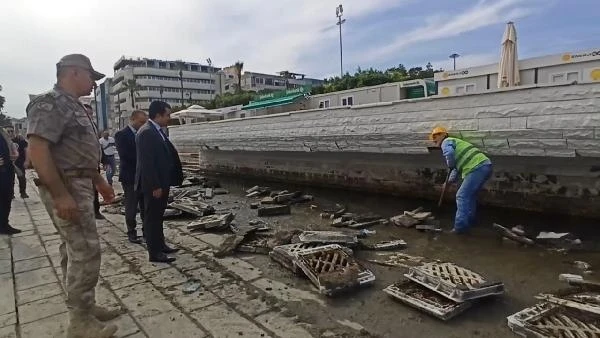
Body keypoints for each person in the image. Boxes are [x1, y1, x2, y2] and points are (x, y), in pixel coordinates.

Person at [26, 54, 122, 337]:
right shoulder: (50, 104)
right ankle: (79, 323)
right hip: (66, 186)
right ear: (74, 72)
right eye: (92, 76)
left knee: (74, 249)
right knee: (85, 251)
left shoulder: (75, 107)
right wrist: (60, 195)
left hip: (80, 183)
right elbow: (38, 149)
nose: (94, 83)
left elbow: (79, 154)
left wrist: (100, 182)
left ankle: (85, 306)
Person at [135, 100, 183, 263]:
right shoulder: (147, 132)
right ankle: (154, 253)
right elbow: (147, 163)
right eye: (167, 115)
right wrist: (155, 185)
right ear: (158, 115)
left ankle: (161, 245)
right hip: (153, 185)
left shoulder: (158, 131)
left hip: (162, 182)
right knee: (152, 219)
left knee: (158, 217)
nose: (169, 118)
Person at [430, 126, 493, 234]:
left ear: (444, 134)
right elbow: (455, 169)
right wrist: (448, 183)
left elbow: (449, 155)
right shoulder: (455, 143)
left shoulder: (446, 141)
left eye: (437, 135)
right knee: (470, 196)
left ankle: (459, 229)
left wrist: (450, 164)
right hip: (484, 166)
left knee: (461, 195)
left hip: (476, 168)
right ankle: (469, 223)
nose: (435, 138)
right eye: (433, 137)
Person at [115, 110, 147, 244]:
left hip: (143, 176)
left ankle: (147, 231)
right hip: (130, 176)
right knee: (132, 206)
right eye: (141, 122)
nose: (143, 125)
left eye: (144, 122)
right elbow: (125, 155)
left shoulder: (145, 134)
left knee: (145, 205)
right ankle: (132, 232)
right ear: (132, 119)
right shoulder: (121, 135)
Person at [83, 104, 105, 220]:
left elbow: (97, 144)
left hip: (94, 163)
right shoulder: (77, 127)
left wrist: (103, 159)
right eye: (87, 113)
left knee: (94, 189)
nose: (89, 116)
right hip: (82, 165)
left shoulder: (94, 126)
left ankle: (96, 211)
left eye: (91, 114)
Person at [0, 126, 21, 235]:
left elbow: (11, 146)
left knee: (6, 199)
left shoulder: (2, 132)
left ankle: (4, 225)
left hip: (7, 170)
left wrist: (14, 153)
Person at [6, 127, 29, 198]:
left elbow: (26, 150)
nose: (10, 133)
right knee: (10, 179)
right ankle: (11, 194)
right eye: (8, 131)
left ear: (14, 132)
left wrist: (27, 161)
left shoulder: (20, 140)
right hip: (8, 163)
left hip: (20, 162)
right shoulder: (4, 141)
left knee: (22, 178)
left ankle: (23, 193)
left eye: (11, 131)